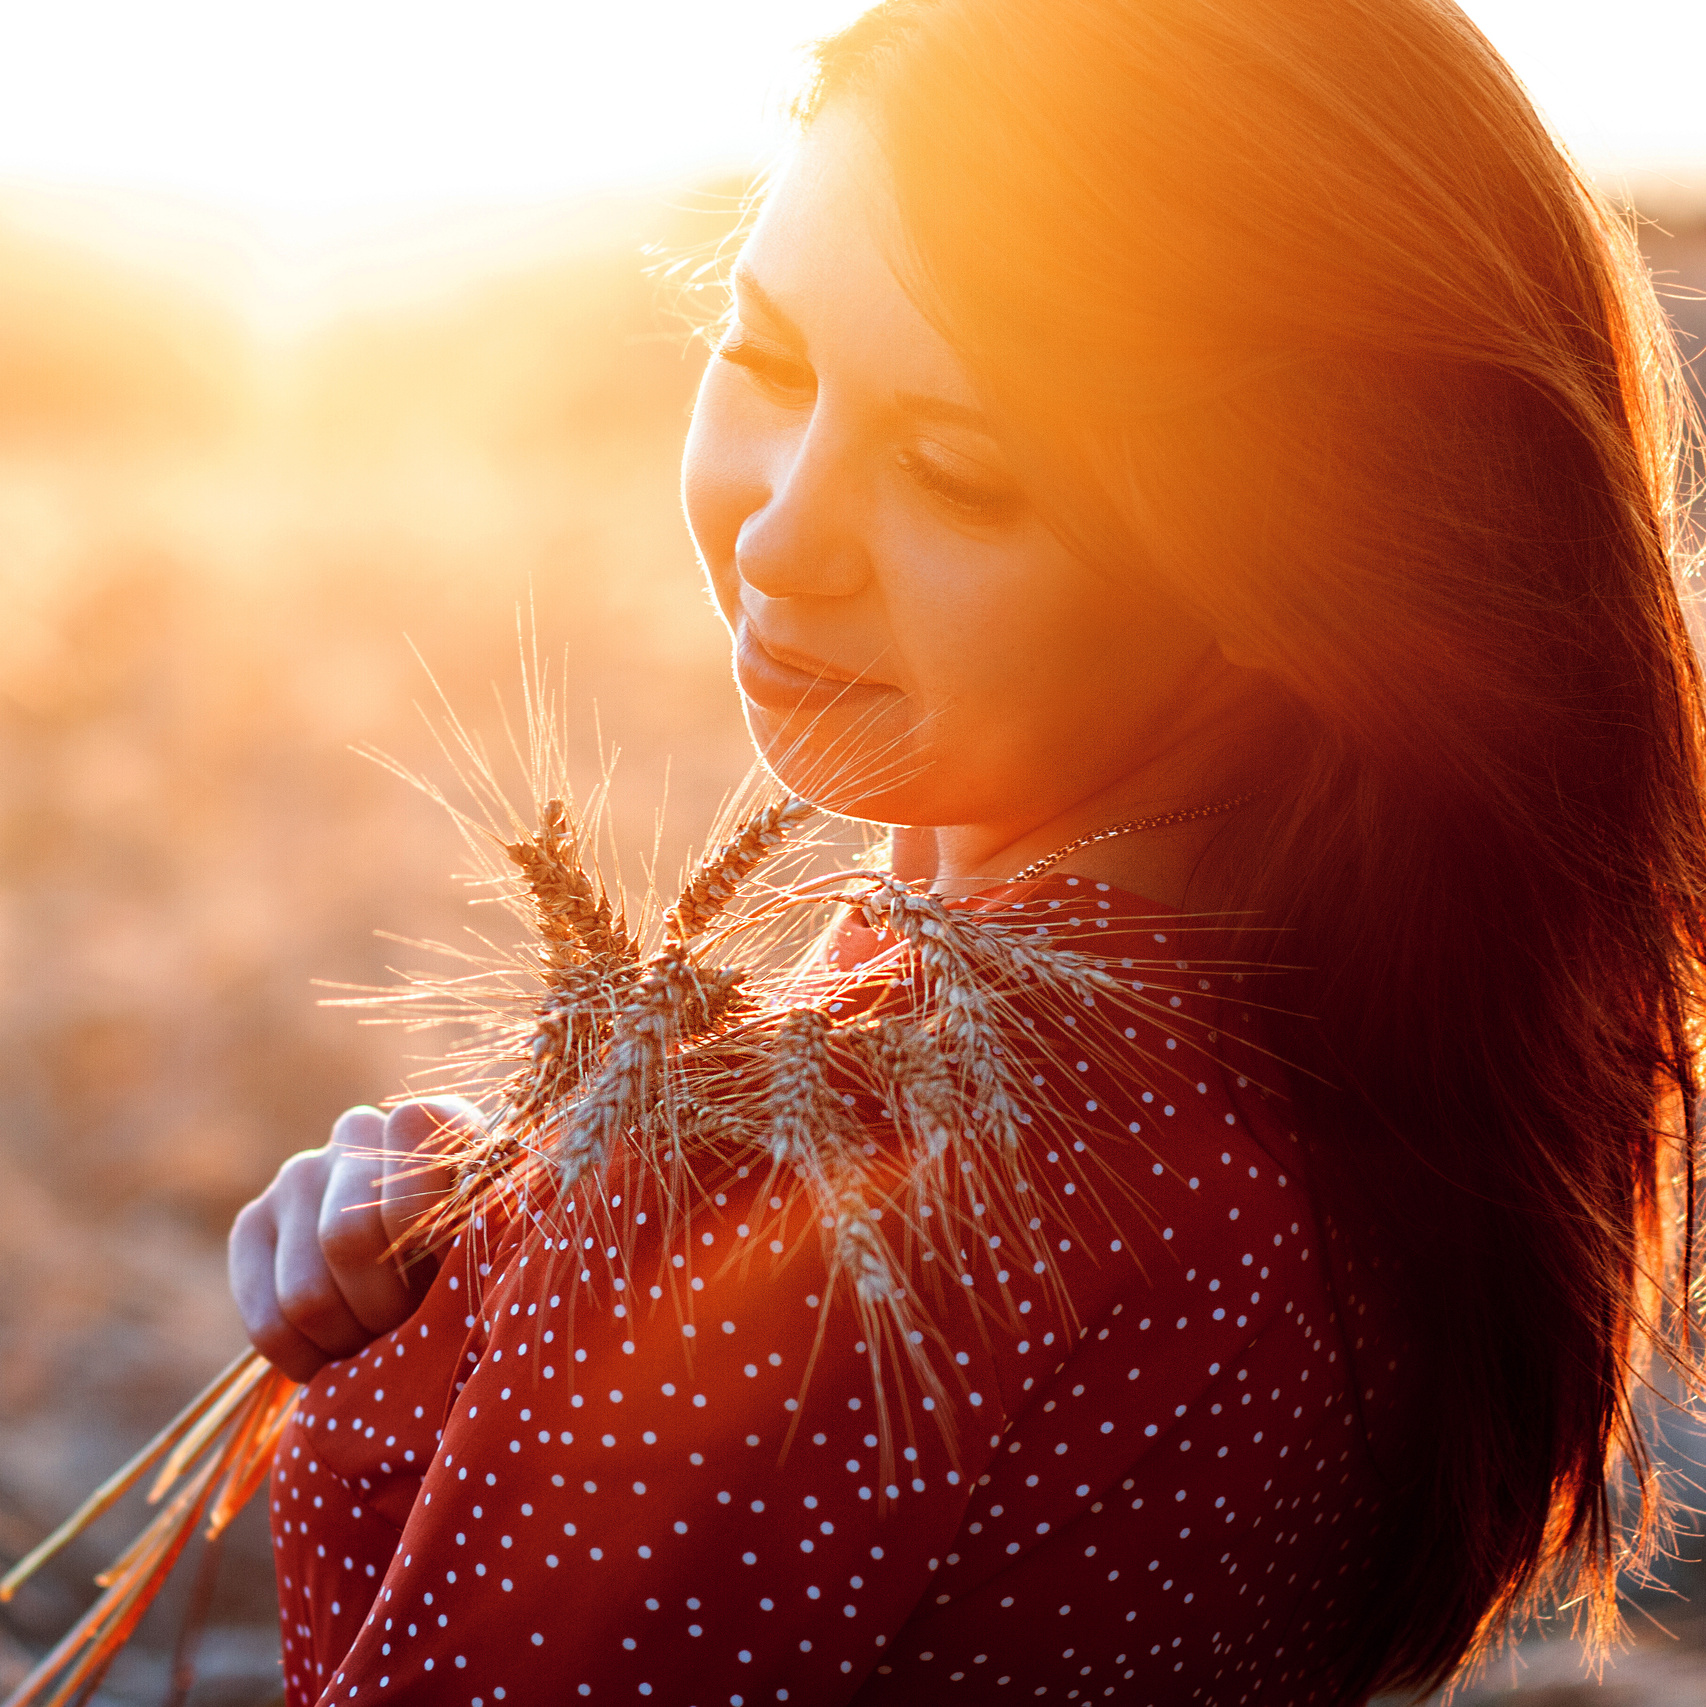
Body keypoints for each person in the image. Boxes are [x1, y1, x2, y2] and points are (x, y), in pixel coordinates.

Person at [226, 0, 1706, 1701]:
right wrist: (487, 1277)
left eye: (958, 471)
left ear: (1288, 551)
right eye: (766, 356)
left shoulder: (824, 1204)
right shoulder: (1389, 1084)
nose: (783, 527)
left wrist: (537, 1294)